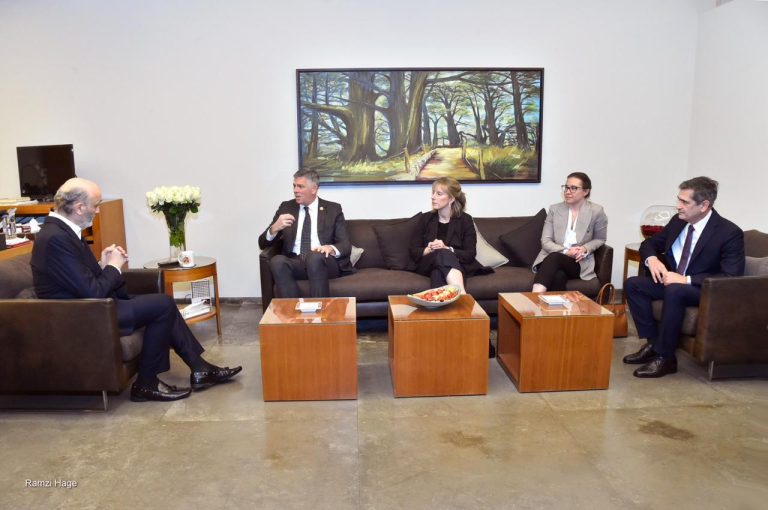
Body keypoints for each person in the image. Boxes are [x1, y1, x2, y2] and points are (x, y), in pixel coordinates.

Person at [31, 178, 241, 402]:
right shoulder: (55, 238)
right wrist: (113, 267)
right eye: (96, 205)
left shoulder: (61, 232)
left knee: (161, 304)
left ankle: (200, 368)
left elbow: (78, 280)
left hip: (92, 307)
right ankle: (146, 384)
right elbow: (92, 291)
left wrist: (102, 265)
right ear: (79, 207)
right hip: (83, 315)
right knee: (162, 304)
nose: (98, 210)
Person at [623, 176, 744, 378]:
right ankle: (654, 344)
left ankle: (666, 358)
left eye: (685, 202)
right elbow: (649, 244)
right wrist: (652, 259)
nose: (678, 206)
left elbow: (730, 276)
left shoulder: (729, 233)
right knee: (633, 285)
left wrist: (685, 280)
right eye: (678, 199)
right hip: (674, 283)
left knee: (675, 290)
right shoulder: (679, 221)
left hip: (704, 289)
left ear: (704, 205)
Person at [258, 169, 354, 298]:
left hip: (324, 262)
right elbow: (262, 243)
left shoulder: (333, 209)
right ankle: (293, 309)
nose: (295, 190)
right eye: (294, 186)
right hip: (296, 261)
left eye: (300, 186)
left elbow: (345, 244)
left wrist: (330, 248)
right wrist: (274, 228)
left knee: (314, 257)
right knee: (277, 261)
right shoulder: (286, 207)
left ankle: (319, 309)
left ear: (314, 189)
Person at [531, 172, 608, 292]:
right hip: (551, 257)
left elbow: (600, 239)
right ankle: (549, 303)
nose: (567, 191)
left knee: (555, 259)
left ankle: (533, 298)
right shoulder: (555, 209)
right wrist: (566, 251)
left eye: (573, 188)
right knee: (558, 275)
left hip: (578, 261)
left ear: (586, 191)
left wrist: (584, 248)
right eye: (566, 187)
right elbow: (545, 241)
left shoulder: (596, 211)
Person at [409, 177, 487, 294]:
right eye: (433, 192)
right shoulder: (426, 219)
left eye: (439, 194)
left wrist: (447, 248)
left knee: (438, 272)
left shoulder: (465, 220)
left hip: (454, 264)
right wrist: (429, 249)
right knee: (442, 253)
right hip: (427, 263)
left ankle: (443, 304)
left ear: (451, 198)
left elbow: (470, 254)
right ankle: (462, 295)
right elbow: (413, 250)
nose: (433, 197)